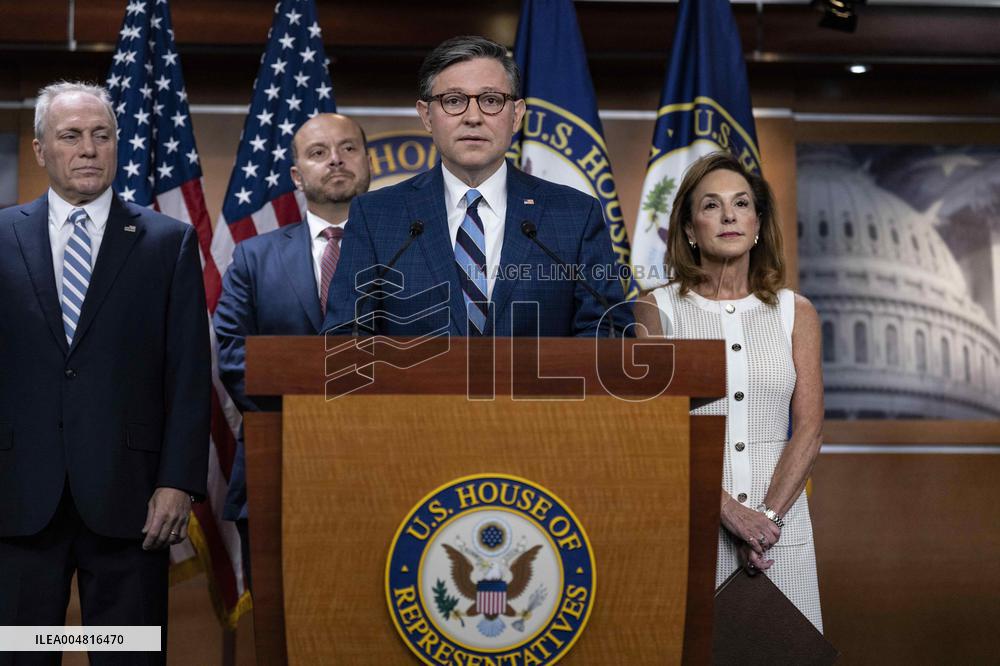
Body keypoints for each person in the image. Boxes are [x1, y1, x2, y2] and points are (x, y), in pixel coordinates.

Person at [0, 81, 210, 662]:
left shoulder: (167, 242)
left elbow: (188, 372)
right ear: (42, 149)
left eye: (102, 136)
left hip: (132, 500)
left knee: (129, 655)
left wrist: (179, 482)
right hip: (17, 500)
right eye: (71, 136)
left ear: (118, 145)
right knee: (20, 653)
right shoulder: (0, 236)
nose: (89, 149)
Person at [322, 35, 631, 338]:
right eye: (453, 101)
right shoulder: (376, 215)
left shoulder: (575, 215)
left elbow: (608, 329)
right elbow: (346, 334)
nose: (473, 117)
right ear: (426, 115)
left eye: (491, 101)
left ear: (516, 115)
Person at [634, 151, 825, 631]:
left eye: (741, 204)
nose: (728, 216)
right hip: (694, 527)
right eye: (711, 206)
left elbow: (810, 428)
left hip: (781, 535)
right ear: (689, 229)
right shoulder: (653, 311)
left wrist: (766, 519)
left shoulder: (795, 313)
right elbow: (658, 431)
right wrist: (730, 514)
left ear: (758, 224)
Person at [214, 113, 371, 588]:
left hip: (380, 463)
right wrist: (313, 413)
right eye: (318, 153)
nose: (336, 160)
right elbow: (234, 358)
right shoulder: (254, 257)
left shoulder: (415, 251)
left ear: (368, 163)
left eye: (348, 149)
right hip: (275, 463)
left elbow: (428, 350)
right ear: (298, 177)